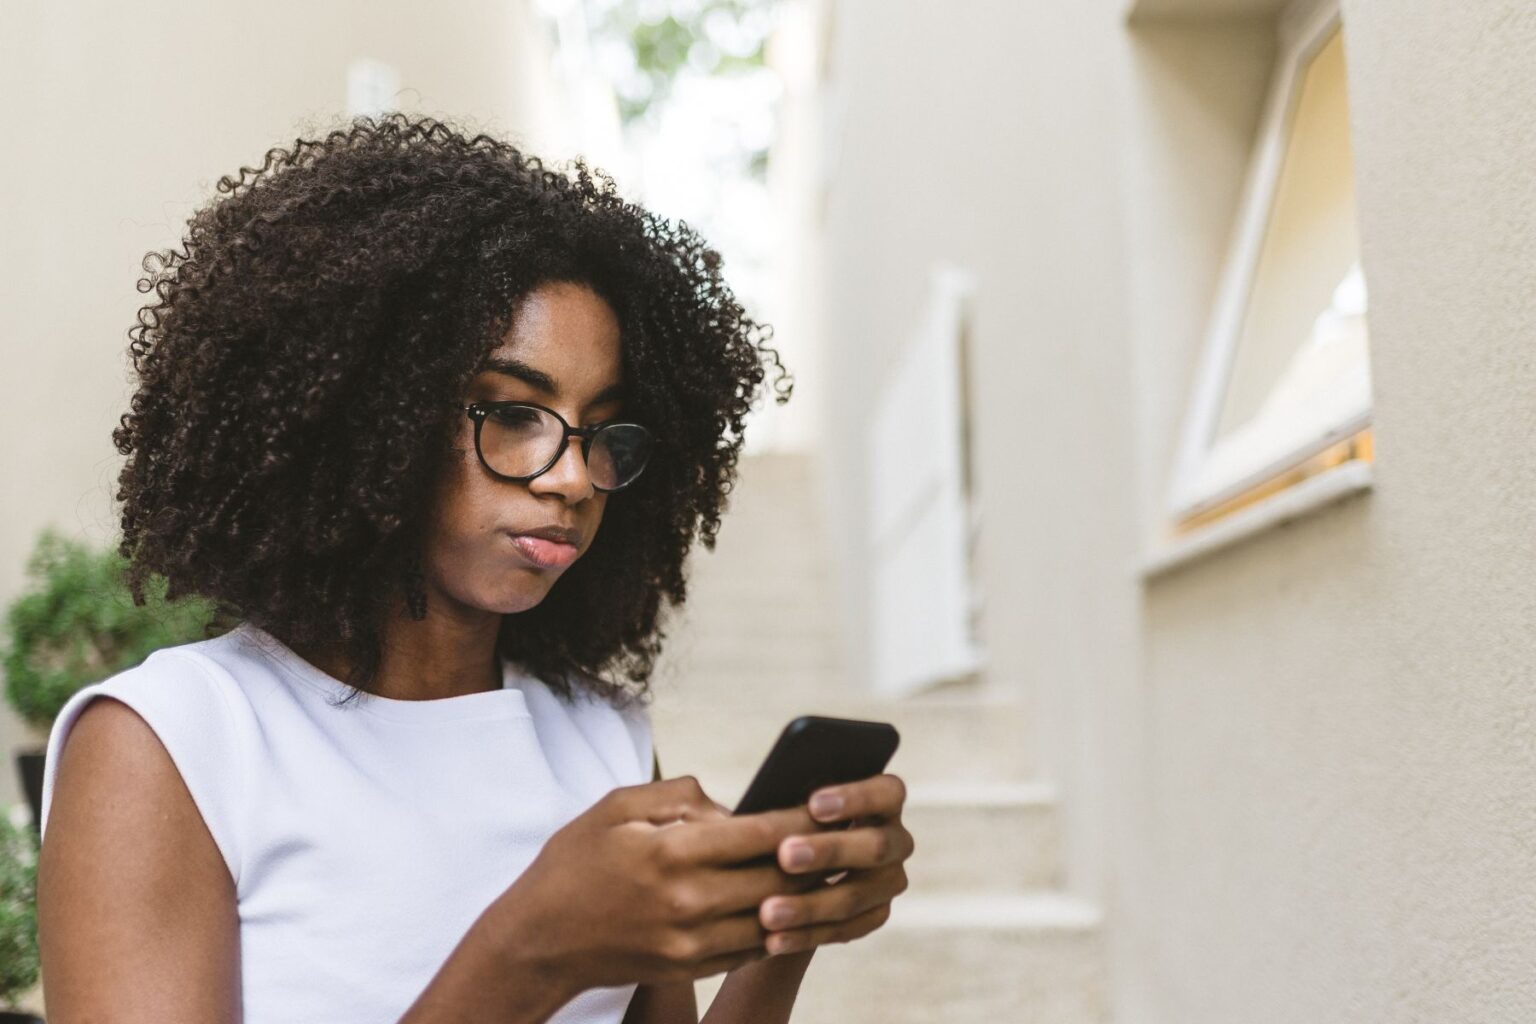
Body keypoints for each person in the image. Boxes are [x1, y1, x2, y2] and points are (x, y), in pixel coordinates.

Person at [34, 113, 914, 1023]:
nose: (573, 477)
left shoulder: (600, 740)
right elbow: (527, 956)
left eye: (601, 430)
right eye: (510, 411)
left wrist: (789, 923)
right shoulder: (173, 742)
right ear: (372, 415)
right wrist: (532, 952)